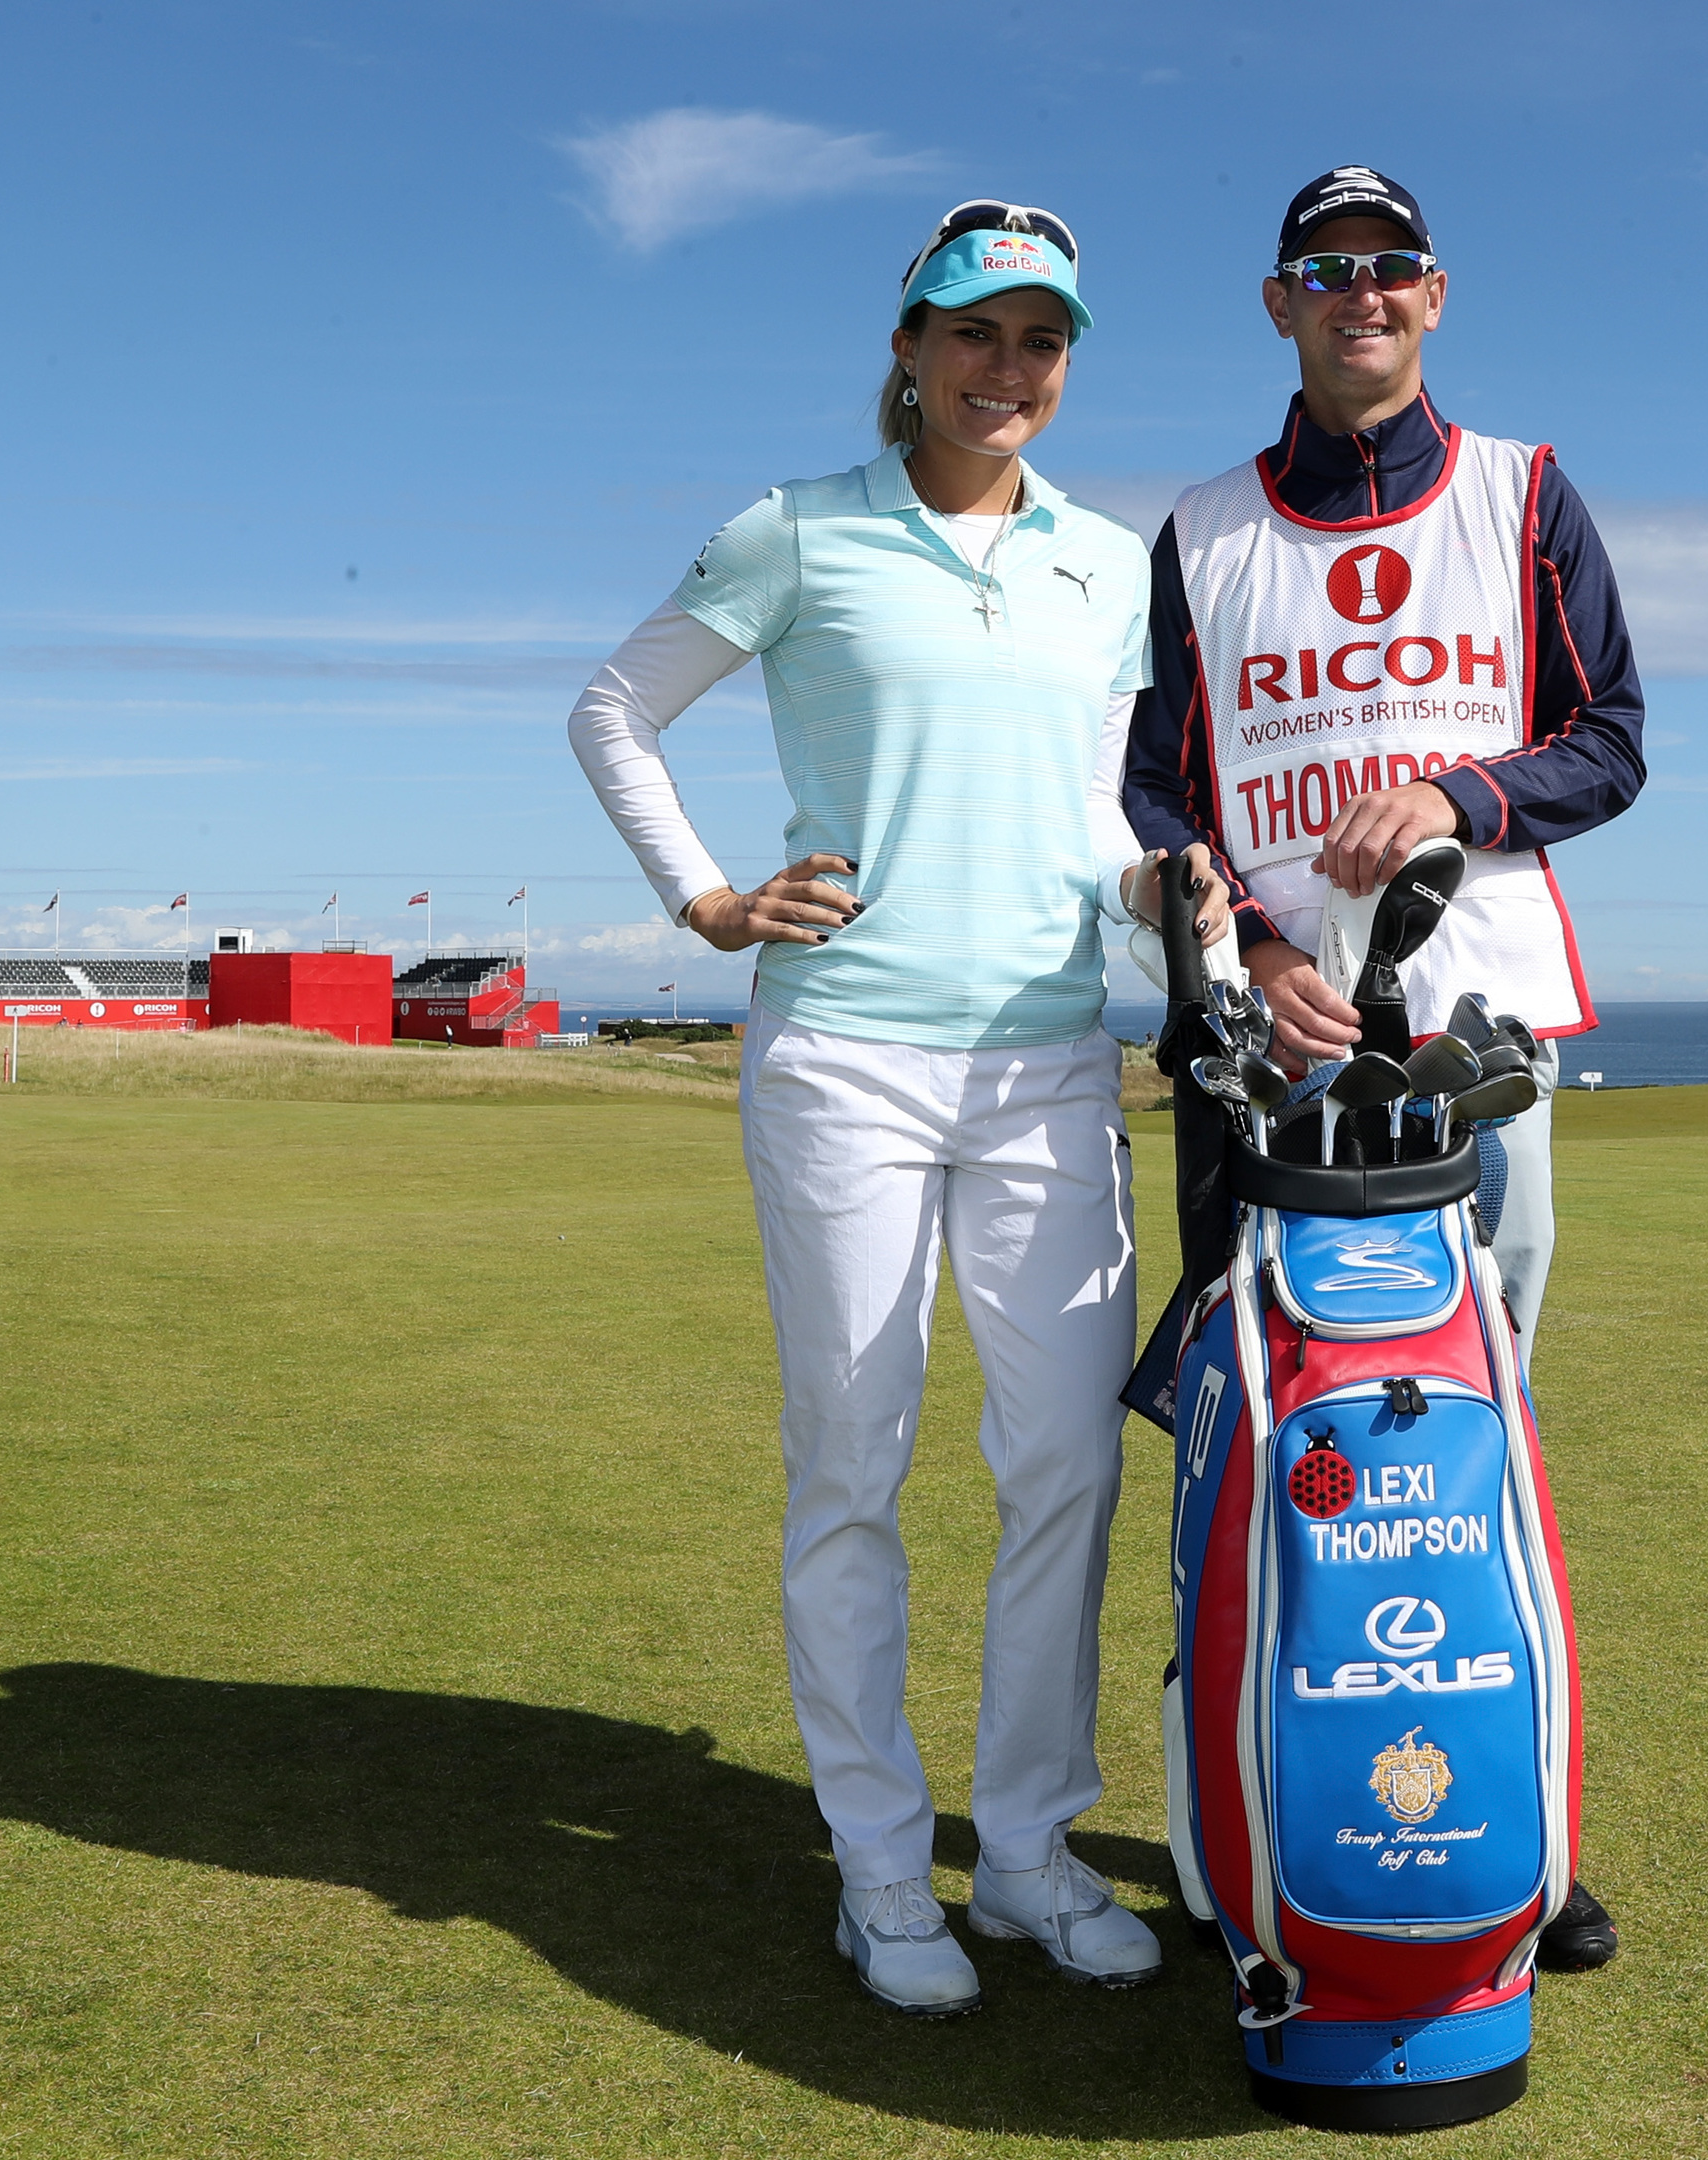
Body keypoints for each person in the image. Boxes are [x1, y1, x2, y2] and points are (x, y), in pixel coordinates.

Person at [568, 200, 1230, 2018]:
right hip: (846, 1055)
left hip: (1045, 1059)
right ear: (912, 346)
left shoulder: (1107, 565)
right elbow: (617, 712)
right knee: (854, 1461)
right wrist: (708, 897)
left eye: (1040, 341)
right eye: (974, 334)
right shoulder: (794, 534)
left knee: (1067, 1469)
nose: (1005, 371)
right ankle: (879, 1871)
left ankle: (1021, 1853)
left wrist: (1166, 891)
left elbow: (1100, 821)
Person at [1120, 164, 1644, 1973]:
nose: (1364, 293)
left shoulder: (1525, 494)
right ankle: (1229, 1830)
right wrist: (1252, 952)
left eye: (1394, 268)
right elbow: (1156, 791)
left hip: (1476, 1037)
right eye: (1326, 271)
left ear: (1439, 296)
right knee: (1244, 1434)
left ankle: (1515, 1826)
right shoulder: (1194, 533)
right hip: (1264, 1054)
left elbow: (1613, 741)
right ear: (1278, 305)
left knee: (1477, 1430)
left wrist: (1460, 794)